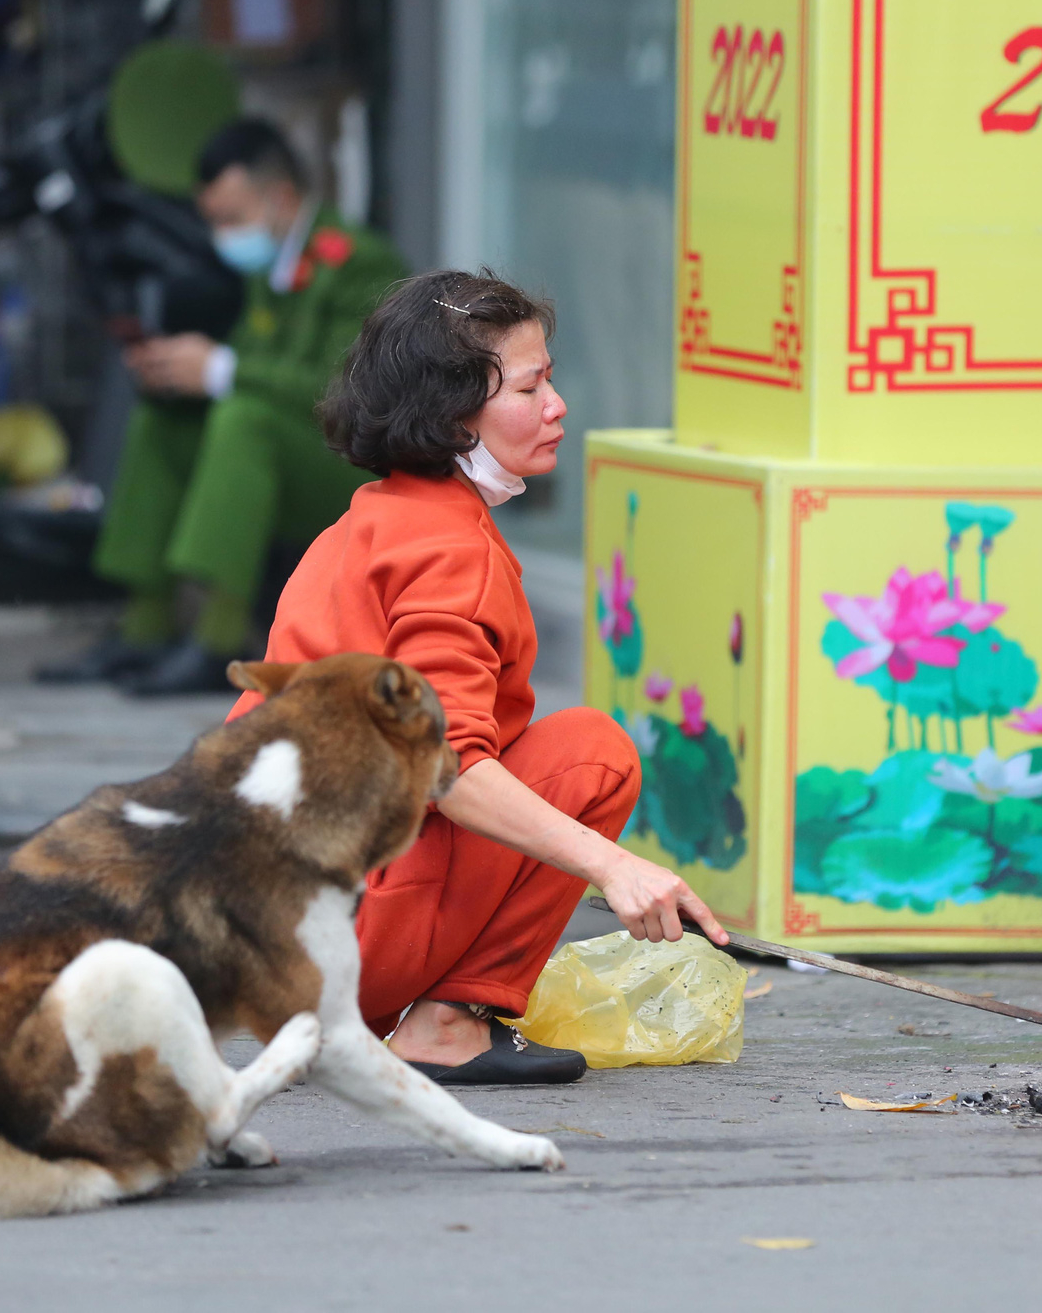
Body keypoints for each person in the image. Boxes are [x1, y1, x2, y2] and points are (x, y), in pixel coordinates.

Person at [226, 270, 728, 1084]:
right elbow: (446, 768)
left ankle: (431, 1014)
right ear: (453, 413)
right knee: (592, 753)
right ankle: (448, 1023)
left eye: (549, 377)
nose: (557, 404)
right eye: (531, 386)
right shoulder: (449, 550)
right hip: (330, 935)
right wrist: (616, 866)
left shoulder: (379, 514)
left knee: (540, 749)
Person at [42, 117, 407, 695]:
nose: (222, 236)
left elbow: (346, 388)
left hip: (350, 467)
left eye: (231, 220)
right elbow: (249, 360)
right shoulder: (275, 265)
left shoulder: (359, 261)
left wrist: (219, 369)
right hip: (287, 447)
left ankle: (219, 639)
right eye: (213, 221)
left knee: (242, 421)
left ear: (282, 197)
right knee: (166, 420)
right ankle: (146, 624)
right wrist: (180, 370)